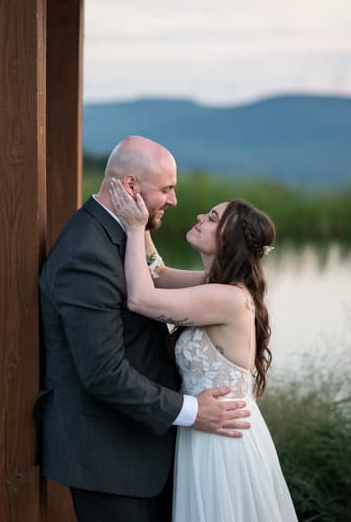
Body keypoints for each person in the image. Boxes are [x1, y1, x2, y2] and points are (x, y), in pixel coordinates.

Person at [35, 136, 252, 522]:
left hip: (146, 450)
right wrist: (193, 412)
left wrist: (230, 280)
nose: (174, 201)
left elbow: (157, 276)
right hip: (110, 461)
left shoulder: (120, 235)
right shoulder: (88, 252)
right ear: (132, 187)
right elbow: (103, 372)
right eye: (167, 189)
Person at [109, 179, 299, 521]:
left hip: (223, 441)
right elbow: (158, 273)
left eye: (212, 218)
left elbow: (140, 297)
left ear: (228, 239)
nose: (199, 216)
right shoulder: (215, 285)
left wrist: (135, 229)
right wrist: (145, 213)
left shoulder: (226, 298)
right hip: (207, 429)